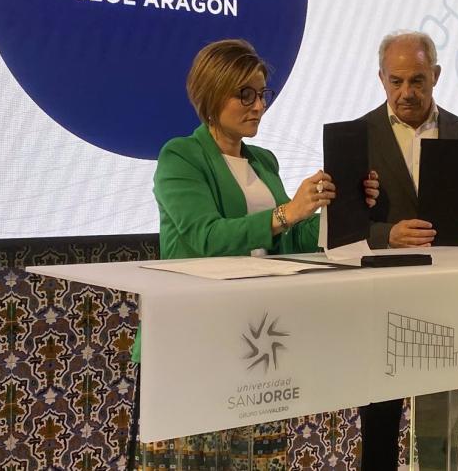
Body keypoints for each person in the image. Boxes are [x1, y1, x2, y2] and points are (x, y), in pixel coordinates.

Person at [127, 38, 378, 469]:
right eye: (245, 94)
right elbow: (206, 236)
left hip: (255, 337)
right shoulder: (181, 157)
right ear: (212, 94)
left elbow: (287, 242)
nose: (258, 105)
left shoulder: (264, 161)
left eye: (262, 94)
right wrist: (287, 212)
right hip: (191, 338)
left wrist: (339, 208)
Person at [358, 31, 458, 470]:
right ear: (381, 78)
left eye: (417, 80)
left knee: (439, 429)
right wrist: (387, 234)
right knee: (379, 423)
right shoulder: (358, 135)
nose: (406, 92)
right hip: (381, 300)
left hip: (446, 301)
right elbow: (340, 227)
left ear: (435, 76)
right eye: (396, 81)